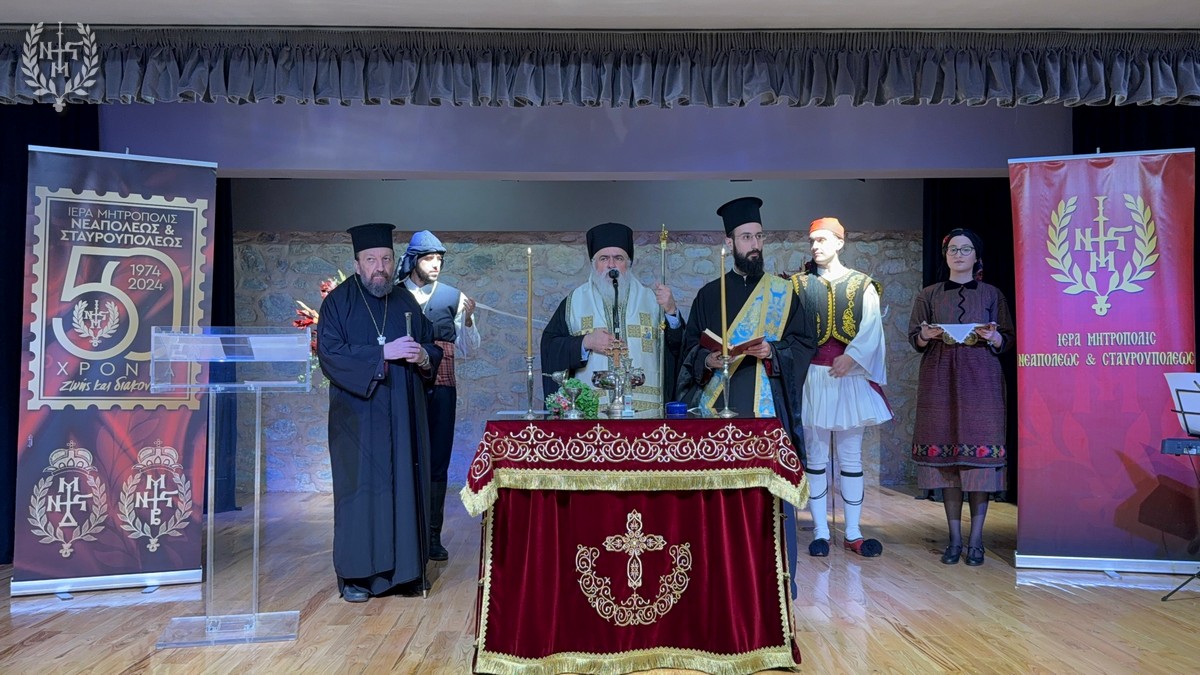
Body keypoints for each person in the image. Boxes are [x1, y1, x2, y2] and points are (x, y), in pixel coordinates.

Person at [318, 222, 443, 602]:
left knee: (405, 487)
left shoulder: (404, 301)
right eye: (371, 260)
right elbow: (330, 355)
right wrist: (381, 353)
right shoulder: (337, 303)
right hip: (357, 419)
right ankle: (357, 577)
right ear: (357, 264)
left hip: (403, 416)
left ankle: (406, 573)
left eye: (386, 259)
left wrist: (423, 356)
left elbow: (430, 345)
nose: (380, 268)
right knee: (361, 493)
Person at [908, 228, 1014, 567]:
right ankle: (954, 539)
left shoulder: (992, 294)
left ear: (976, 256)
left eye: (965, 249)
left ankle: (977, 540)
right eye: (953, 249)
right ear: (945, 255)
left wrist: (994, 337)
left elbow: (1008, 339)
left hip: (982, 380)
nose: (958, 254)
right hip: (939, 379)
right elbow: (914, 337)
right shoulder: (929, 294)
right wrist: (925, 335)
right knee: (948, 463)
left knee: (978, 464)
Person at [677, 196, 816, 445]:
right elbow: (690, 347)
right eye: (746, 237)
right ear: (730, 243)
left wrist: (773, 351)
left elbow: (804, 343)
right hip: (716, 403)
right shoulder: (709, 294)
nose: (755, 244)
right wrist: (707, 360)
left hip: (765, 404)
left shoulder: (783, 292)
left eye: (759, 236)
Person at [792, 217, 893, 558]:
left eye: (822, 240)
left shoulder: (863, 284)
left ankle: (853, 531)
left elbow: (872, 328)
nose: (815, 246)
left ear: (839, 242)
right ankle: (820, 531)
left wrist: (852, 357)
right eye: (812, 241)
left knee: (851, 457)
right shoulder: (798, 285)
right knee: (816, 458)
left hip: (850, 378)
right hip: (814, 379)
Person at [540, 222, 685, 412]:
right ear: (594, 264)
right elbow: (550, 347)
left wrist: (671, 312)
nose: (611, 265)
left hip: (646, 413)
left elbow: (678, 350)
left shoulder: (652, 300)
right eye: (604, 258)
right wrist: (585, 342)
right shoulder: (574, 302)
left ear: (629, 263)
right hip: (591, 414)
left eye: (618, 258)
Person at [399, 230, 480, 563]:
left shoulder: (453, 297)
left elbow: (470, 348)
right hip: (405, 383)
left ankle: (433, 535)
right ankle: (406, 534)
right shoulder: (395, 295)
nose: (436, 265)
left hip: (442, 385)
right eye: (429, 259)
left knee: (437, 459)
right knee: (405, 455)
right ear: (414, 260)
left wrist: (469, 319)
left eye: (439, 260)